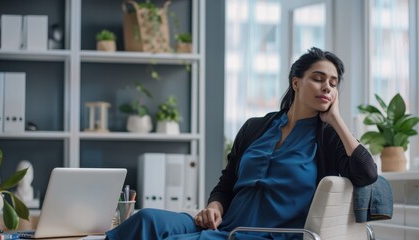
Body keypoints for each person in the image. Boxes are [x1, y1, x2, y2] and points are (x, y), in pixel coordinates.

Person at [105, 47, 378, 240]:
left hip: (263, 236)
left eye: (333, 83)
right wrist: (215, 207)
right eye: (318, 79)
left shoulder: (328, 136)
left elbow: (366, 173)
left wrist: (337, 119)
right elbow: (226, 184)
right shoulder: (255, 128)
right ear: (296, 83)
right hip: (225, 227)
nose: (327, 87)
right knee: (146, 219)